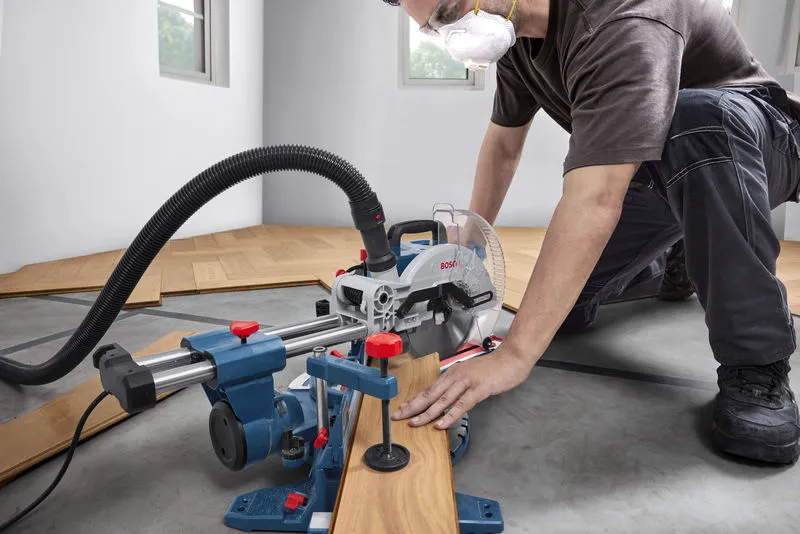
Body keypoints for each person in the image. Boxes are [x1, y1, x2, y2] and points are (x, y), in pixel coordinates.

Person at [387, 0, 800, 465]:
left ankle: (756, 364)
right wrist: (467, 244)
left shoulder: (626, 18)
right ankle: (681, 253)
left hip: (751, 143)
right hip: (659, 175)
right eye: (434, 29)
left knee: (696, 118)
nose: (452, 34)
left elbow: (595, 199)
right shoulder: (517, 38)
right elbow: (503, 144)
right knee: (560, 312)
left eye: (450, 11)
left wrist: (515, 355)